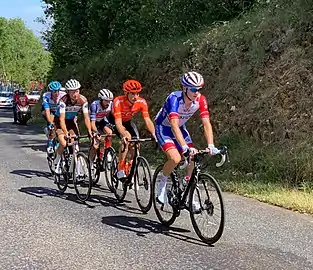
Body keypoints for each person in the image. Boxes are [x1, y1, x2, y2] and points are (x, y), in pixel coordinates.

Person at [154, 71, 219, 209]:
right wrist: (184, 147)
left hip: (180, 127)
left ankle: (188, 190)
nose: (197, 92)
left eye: (199, 89)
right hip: (164, 127)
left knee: (193, 158)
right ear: (185, 88)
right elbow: (173, 125)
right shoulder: (174, 99)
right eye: (194, 89)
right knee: (175, 158)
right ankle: (162, 185)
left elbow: (206, 123)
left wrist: (211, 144)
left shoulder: (201, 100)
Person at [113, 79, 156, 179]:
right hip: (115, 121)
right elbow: (118, 123)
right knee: (127, 138)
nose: (135, 97)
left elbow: (147, 120)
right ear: (126, 93)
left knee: (136, 143)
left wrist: (154, 134)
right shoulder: (118, 101)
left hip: (128, 121)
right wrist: (124, 135)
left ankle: (131, 166)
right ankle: (120, 168)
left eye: (137, 93)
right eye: (132, 94)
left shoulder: (141, 102)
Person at [53, 79, 93, 174]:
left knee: (75, 142)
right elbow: (62, 119)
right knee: (63, 143)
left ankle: (74, 167)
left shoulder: (83, 100)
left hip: (70, 121)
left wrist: (90, 131)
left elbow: (86, 118)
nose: (75, 94)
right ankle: (57, 161)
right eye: (72, 91)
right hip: (59, 122)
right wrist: (66, 133)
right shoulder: (63, 101)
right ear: (67, 92)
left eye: (77, 91)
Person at [89, 88, 115, 166]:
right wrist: (96, 132)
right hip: (93, 123)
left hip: (101, 121)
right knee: (95, 145)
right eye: (106, 100)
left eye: (109, 100)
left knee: (109, 133)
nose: (108, 103)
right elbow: (92, 123)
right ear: (101, 100)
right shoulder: (95, 105)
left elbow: (114, 117)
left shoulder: (111, 104)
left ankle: (106, 152)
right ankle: (90, 161)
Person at [41, 81, 67, 154]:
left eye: (58, 90)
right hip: (50, 111)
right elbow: (47, 110)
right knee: (52, 125)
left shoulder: (63, 95)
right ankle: (50, 142)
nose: (57, 93)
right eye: (54, 91)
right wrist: (51, 123)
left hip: (59, 111)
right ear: (50, 91)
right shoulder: (46, 96)